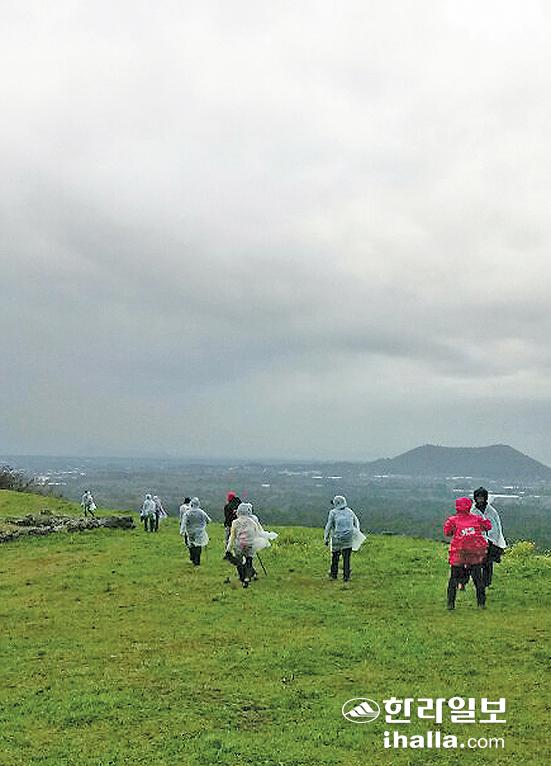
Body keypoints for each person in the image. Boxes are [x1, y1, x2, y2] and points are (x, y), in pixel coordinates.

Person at [443, 496, 492, 610]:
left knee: (453, 580)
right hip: (474, 554)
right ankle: (481, 603)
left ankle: (450, 604)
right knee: (478, 580)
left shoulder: (453, 520)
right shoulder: (476, 519)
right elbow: (488, 526)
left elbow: (447, 533)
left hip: (458, 554)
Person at [225, 502, 278, 588]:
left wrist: (228, 549)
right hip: (250, 545)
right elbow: (258, 533)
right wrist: (269, 536)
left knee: (239, 562)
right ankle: (248, 578)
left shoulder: (235, 522)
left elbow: (232, 537)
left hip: (239, 546)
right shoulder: (252, 522)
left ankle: (242, 578)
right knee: (249, 561)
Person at [471, 487, 507, 587]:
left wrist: (496, 540)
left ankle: (487, 582)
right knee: (477, 562)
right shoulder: (472, 511)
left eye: (482, 497)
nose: (480, 499)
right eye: (478, 497)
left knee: (488, 562)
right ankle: (478, 582)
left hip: (491, 541)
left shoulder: (492, 512)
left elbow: (497, 526)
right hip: (477, 541)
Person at [324, 495, 365, 582]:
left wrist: (326, 538)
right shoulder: (349, 511)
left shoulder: (333, 512)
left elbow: (328, 526)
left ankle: (333, 575)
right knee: (346, 558)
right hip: (348, 538)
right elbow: (356, 521)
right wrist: (356, 533)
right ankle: (346, 576)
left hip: (337, 538)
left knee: (335, 556)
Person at [180, 497, 211, 566]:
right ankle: (197, 560)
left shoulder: (188, 513)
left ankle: (193, 558)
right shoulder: (201, 512)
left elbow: (183, 522)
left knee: (191, 544)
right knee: (198, 545)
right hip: (199, 532)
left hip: (190, 532)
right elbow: (208, 520)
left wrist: (182, 531)